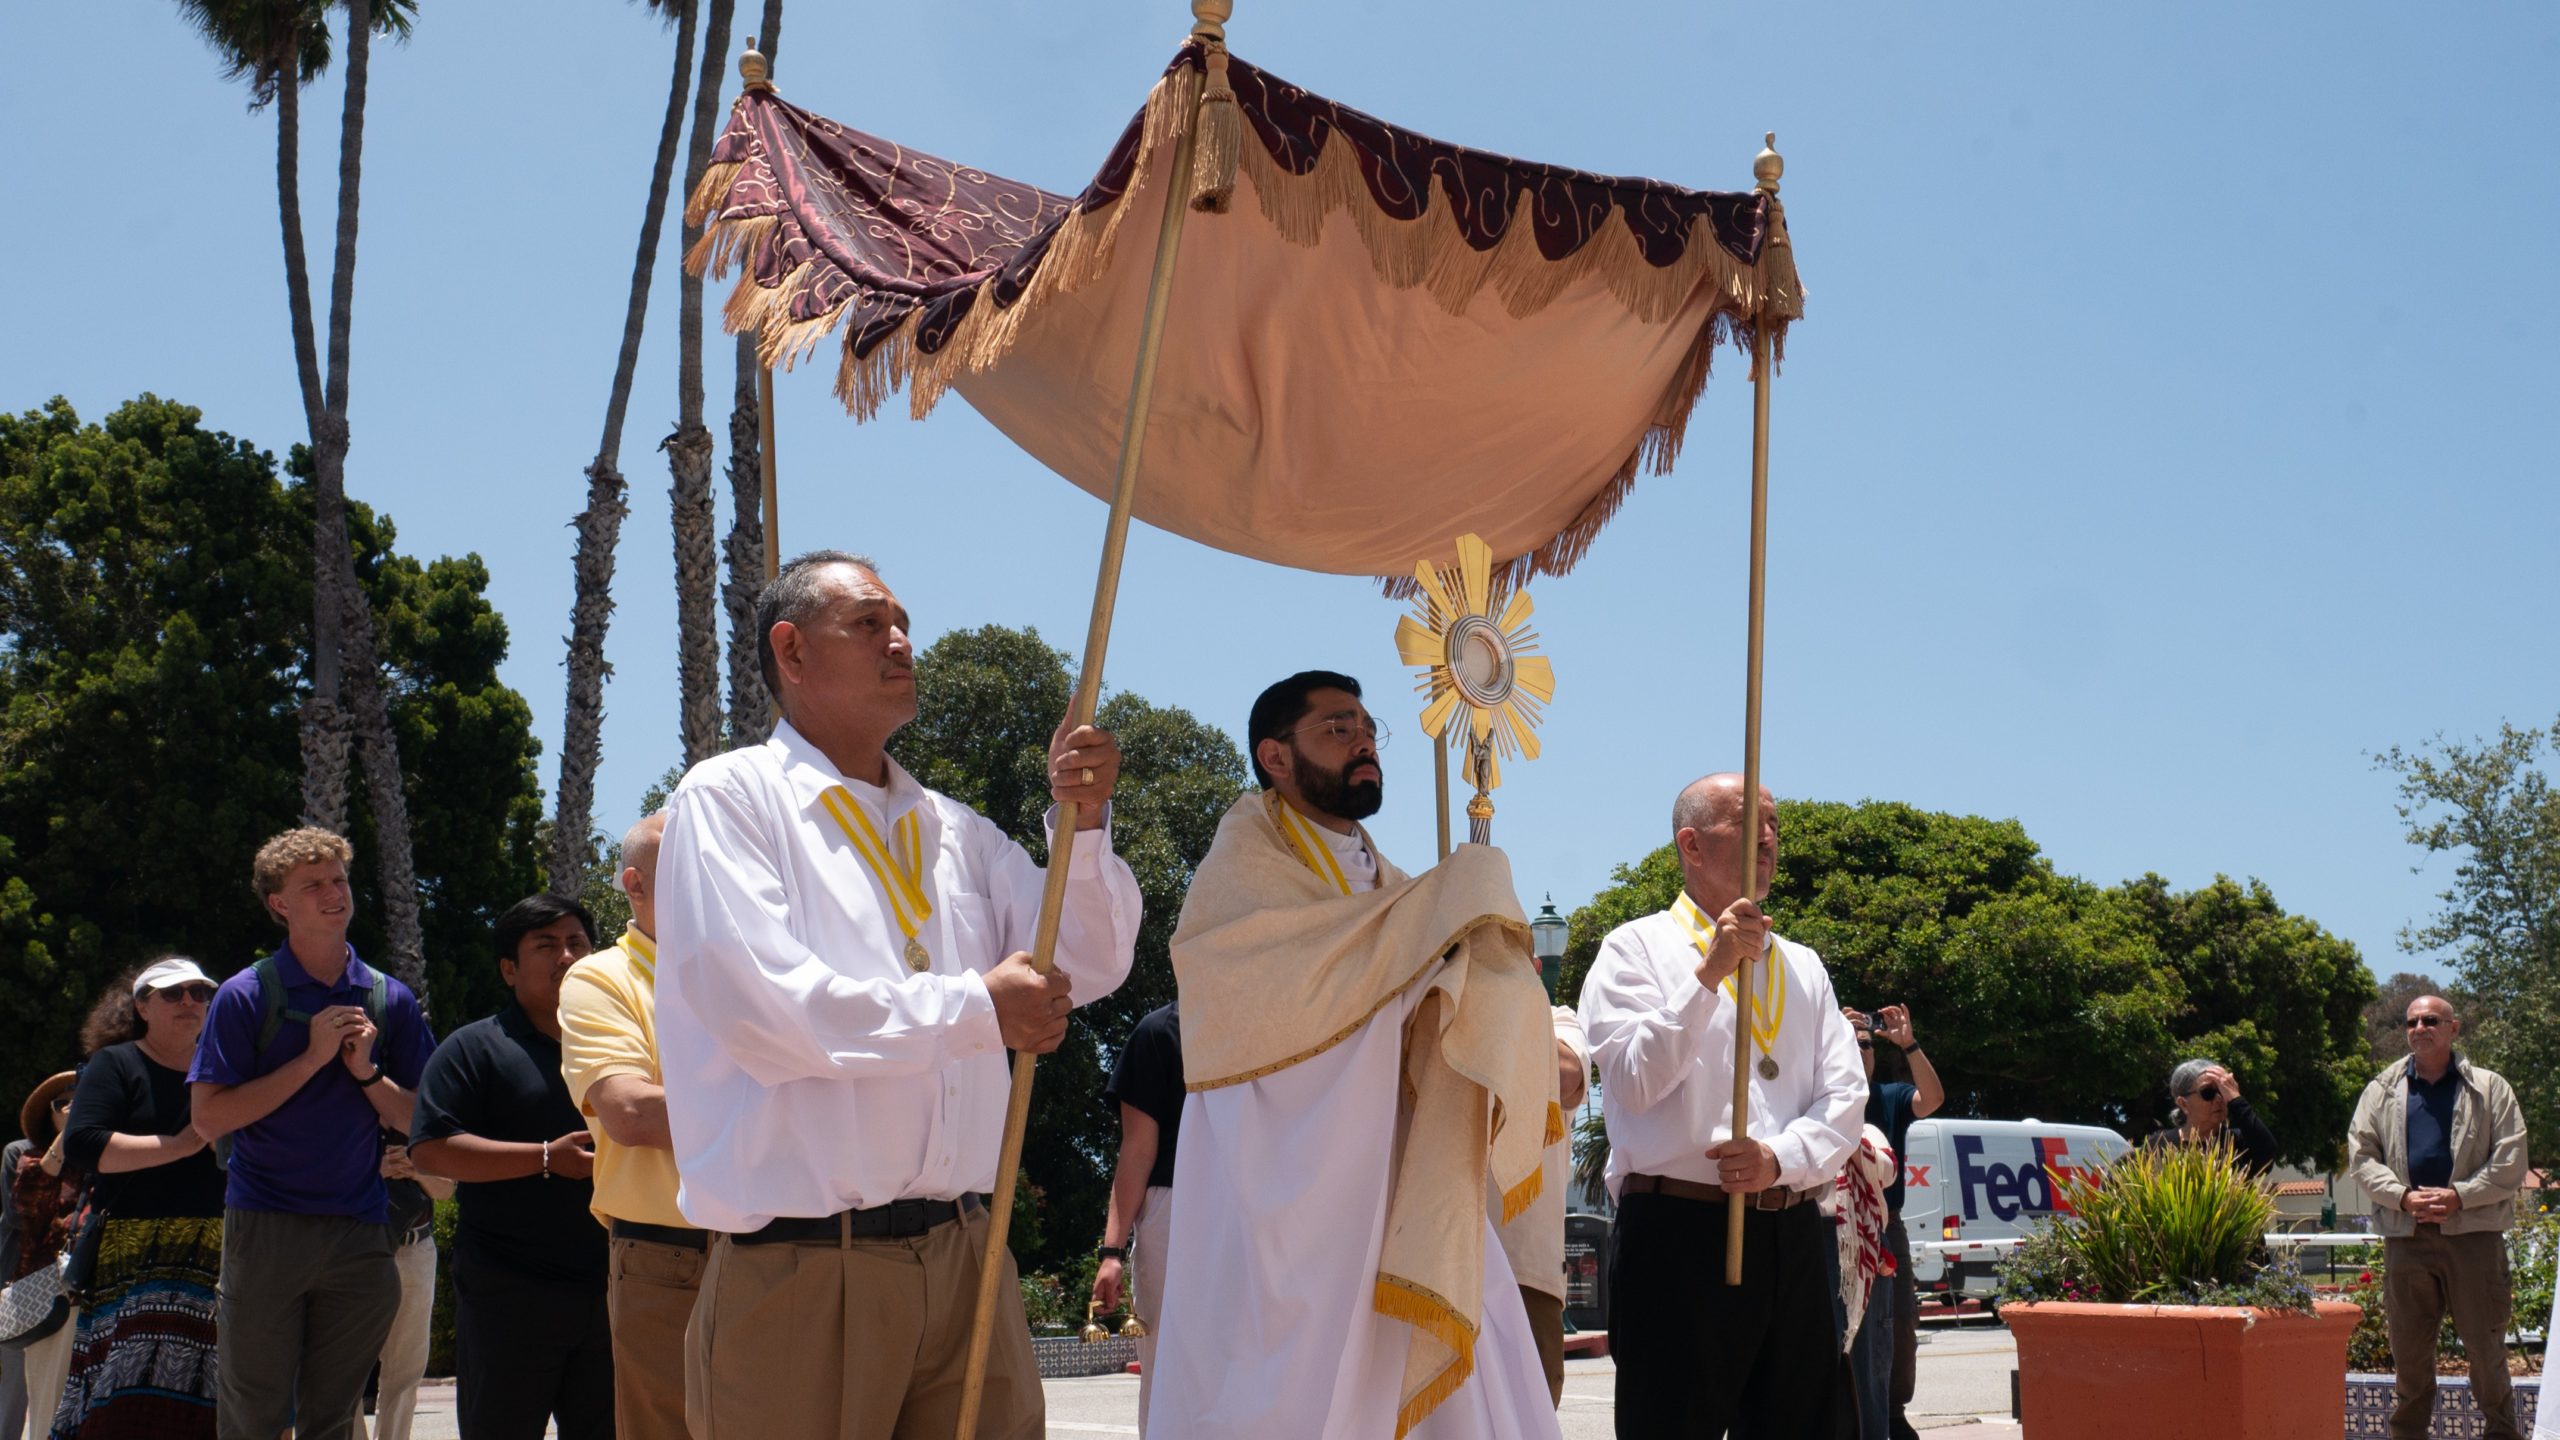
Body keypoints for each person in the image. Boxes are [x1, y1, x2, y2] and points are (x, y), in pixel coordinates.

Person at [655, 551, 1140, 1440]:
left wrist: (1086, 821)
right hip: (803, 1269)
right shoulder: (729, 802)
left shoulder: (954, 828)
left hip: (968, 1255)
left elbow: (1090, 958)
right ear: (792, 653)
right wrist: (976, 1010)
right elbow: (771, 1014)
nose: (901, 641)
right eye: (870, 623)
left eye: (903, 622)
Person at [1149, 671, 1561, 1440]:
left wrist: (1466, 966)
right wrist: (1422, 952)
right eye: (1338, 729)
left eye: (1369, 729)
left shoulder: (1392, 887)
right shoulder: (1239, 877)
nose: (1364, 742)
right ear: (1275, 756)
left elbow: (1394, 995)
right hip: (1292, 1181)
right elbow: (1269, 1012)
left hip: (1403, 1173)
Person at [1579, 773, 1866, 1439]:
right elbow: (1632, 1081)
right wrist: (1707, 976)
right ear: (1693, 844)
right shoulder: (1635, 949)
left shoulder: (1803, 966)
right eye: (1749, 822)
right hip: (1678, 1231)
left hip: (1790, 1232)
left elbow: (1845, 1096)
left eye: (1775, 824)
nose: (1769, 838)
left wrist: (1778, 1157)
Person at [190, 826, 434, 1440]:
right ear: (279, 904)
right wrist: (310, 1058)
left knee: (335, 1420)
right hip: (266, 1226)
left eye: (339, 880)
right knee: (254, 1417)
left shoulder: (389, 998)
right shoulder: (244, 996)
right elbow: (209, 1118)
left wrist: (367, 1073)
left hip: (360, 1231)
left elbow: (424, 1122)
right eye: (313, 885)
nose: (334, 894)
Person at [410, 894, 612, 1440]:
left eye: (577, 943)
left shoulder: (624, 1045)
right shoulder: (474, 1049)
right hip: (510, 1292)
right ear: (508, 969)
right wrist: (546, 1158)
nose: (566, 957)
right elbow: (431, 1148)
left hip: (615, 1287)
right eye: (546, 946)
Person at [560, 812, 703, 1440]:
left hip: (780, 1245)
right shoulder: (600, 977)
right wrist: (785, 1113)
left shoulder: (757, 968)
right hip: (667, 1256)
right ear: (634, 885)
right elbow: (631, 1114)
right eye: (688, 864)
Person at [50, 959, 230, 1439]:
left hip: (216, 1251)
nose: (189, 1002)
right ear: (142, 1006)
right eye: (173, 994)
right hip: (135, 1255)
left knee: (210, 1397)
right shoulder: (117, 1063)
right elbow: (83, 1144)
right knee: (125, 1397)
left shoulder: (226, 1069)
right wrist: (180, 1146)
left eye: (198, 992)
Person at [2347, 995, 2530, 1440]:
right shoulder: (2382, 1089)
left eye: (2431, 1020)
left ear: (2454, 1028)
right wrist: (2404, 1198)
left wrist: (2460, 1197)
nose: (2419, 1027)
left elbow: (2511, 1160)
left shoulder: (2490, 1087)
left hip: (2474, 1237)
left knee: (2486, 1350)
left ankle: (2502, 1434)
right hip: (2407, 1238)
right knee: (2408, 1355)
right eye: (2412, 1021)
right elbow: (2362, 1155)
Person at [1845, 1005, 1942, 1440]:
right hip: (1834, 1225)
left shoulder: (1887, 1097)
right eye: (1847, 1042)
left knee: (1900, 1322)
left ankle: (1893, 1415)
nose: (1858, 1050)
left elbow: (1933, 1099)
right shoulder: (1818, 1097)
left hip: (1887, 1223)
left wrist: (1910, 1045)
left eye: (1864, 1043)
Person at [1092, 1000, 1180, 1434]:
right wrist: (1112, 1251)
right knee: (1168, 1369)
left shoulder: (1270, 1024)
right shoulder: (1159, 1031)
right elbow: (1138, 1150)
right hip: (1174, 1210)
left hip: (1256, 1205)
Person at [1504, 1006, 1589, 1408]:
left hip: (1524, 1278)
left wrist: (1499, 997)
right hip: (1430, 1262)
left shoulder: (1558, 1021)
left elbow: (1566, 1075)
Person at [363, 1133, 452, 1440]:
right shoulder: (344, 1105)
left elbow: (447, 1189)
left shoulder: (419, 1115)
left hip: (415, 1249)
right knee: (339, 1369)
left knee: (405, 1373)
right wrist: (376, 1168)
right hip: (355, 1248)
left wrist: (416, 1169)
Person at [5, 1073, 79, 1440]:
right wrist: (68, 1136)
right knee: (42, 1401)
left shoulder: (111, 1152)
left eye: (81, 1096)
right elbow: (26, 1212)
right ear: (48, 1117)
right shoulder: (27, 1157)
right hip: (49, 1296)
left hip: (105, 1292)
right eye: (60, 1104)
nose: (71, 1105)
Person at [2143, 1058, 2279, 1176]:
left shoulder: (2237, 1143)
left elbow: (2267, 1153)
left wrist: (2236, 1100)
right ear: (2184, 1104)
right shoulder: (2159, 1145)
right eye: (2208, 1092)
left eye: (2222, 1090)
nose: (2219, 1098)